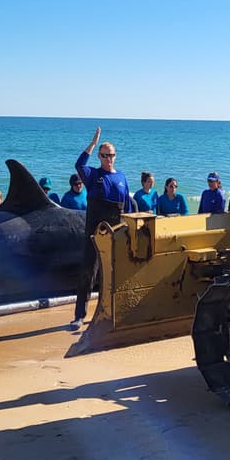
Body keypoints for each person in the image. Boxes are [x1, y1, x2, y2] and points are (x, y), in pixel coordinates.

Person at [72, 126, 135, 324]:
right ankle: (79, 316)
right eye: (105, 155)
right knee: (88, 272)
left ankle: (112, 312)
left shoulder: (121, 177)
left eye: (111, 155)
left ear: (115, 156)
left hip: (115, 232)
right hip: (94, 233)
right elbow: (79, 165)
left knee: (114, 274)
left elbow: (127, 206)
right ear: (99, 156)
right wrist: (92, 143)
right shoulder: (92, 175)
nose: (109, 158)